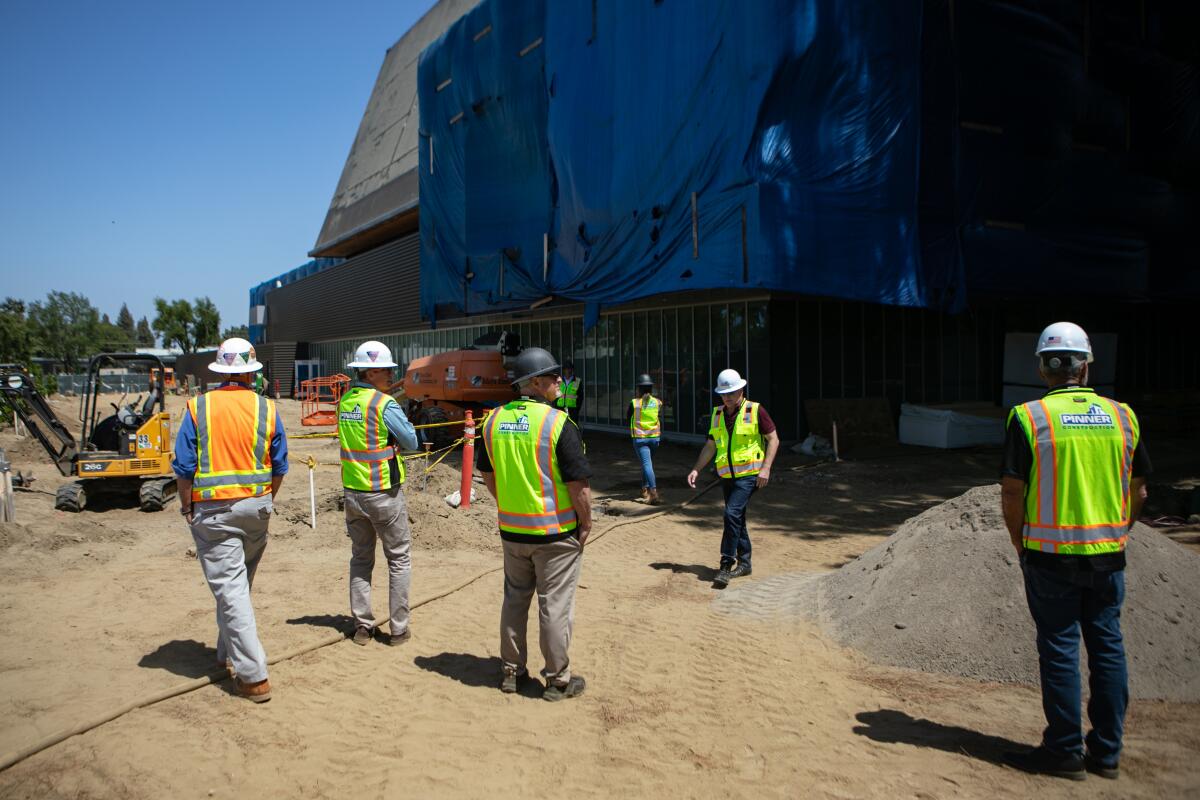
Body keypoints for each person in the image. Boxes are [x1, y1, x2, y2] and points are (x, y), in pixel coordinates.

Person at [1001, 322, 1149, 781]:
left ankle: (1064, 751)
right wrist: (1119, 530)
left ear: (1043, 367)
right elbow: (1140, 490)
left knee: (1060, 648)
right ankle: (1106, 754)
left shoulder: (1028, 418)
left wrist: (1020, 543)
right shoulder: (1124, 416)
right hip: (1109, 555)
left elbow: (1011, 492)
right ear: (1086, 364)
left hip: (1049, 555)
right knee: (1108, 648)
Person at [172, 337, 288, 703]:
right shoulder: (267, 409)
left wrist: (186, 507)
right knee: (236, 585)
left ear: (220, 372)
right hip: (256, 509)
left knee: (231, 589)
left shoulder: (197, 408)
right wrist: (265, 499)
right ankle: (226, 654)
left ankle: (254, 677)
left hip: (214, 513)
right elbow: (280, 465)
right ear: (252, 373)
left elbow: (184, 468)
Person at [477, 347, 592, 701]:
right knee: (554, 606)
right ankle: (557, 680)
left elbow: (488, 474)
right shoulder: (558, 424)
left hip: (513, 531)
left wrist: (509, 505)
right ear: (535, 382)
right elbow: (579, 487)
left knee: (514, 600)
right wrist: (585, 523)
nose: (560, 380)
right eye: (553, 376)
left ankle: (511, 671)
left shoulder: (493, 421)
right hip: (555, 534)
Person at [338, 341, 419, 647]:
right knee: (398, 560)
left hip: (353, 494)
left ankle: (362, 626)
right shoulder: (384, 404)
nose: (390, 374)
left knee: (360, 558)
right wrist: (396, 439)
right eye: (386, 370)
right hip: (383, 492)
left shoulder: (345, 402)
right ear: (371, 372)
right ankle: (398, 629)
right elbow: (410, 440)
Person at [686, 368, 780, 588]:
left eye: (731, 392)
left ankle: (726, 565)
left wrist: (766, 469)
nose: (727, 397)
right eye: (723, 393)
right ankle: (745, 563)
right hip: (727, 476)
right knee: (736, 518)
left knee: (731, 514)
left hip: (749, 476)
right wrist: (696, 469)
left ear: (741, 390)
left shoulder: (756, 410)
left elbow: (773, 439)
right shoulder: (717, 414)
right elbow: (710, 446)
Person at [627, 373, 662, 505]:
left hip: (640, 439)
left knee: (647, 465)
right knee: (647, 464)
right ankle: (644, 489)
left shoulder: (635, 403)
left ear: (639, 389)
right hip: (654, 439)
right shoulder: (657, 402)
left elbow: (627, 417)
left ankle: (653, 493)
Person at [555, 360, 582, 428]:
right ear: (563, 370)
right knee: (560, 427)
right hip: (560, 409)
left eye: (569, 369)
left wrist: (577, 409)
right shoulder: (559, 380)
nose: (567, 371)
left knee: (572, 427)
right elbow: (555, 394)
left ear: (572, 370)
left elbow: (580, 397)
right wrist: (555, 406)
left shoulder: (577, 381)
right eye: (566, 369)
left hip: (572, 410)